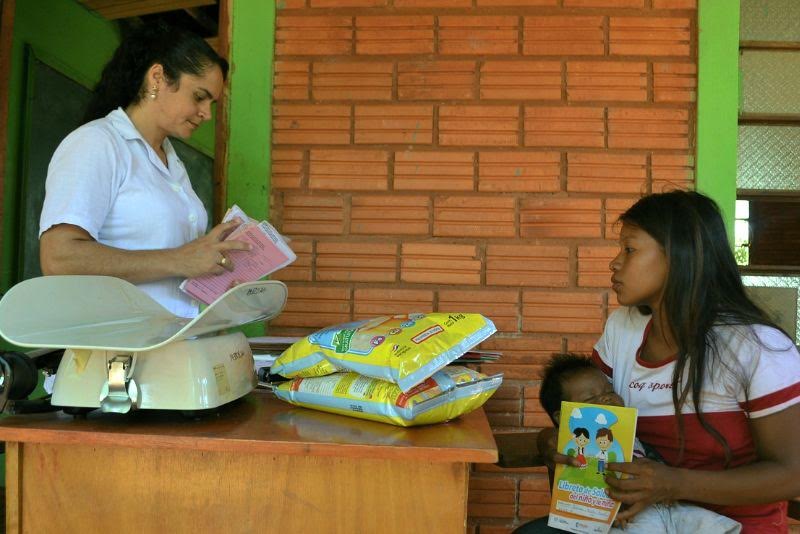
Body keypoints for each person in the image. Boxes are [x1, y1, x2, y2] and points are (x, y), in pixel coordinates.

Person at [518, 190, 800, 534]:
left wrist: (673, 484)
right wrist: (551, 440)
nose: (615, 262)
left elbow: (793, 474)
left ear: (678, 256)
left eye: (630, 249)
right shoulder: (622, 330)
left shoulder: (757, 347)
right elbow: (587, 415)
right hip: (633, 522)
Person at [39, 22, 250, 318]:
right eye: (199, 96)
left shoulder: (173, 163)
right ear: (157, 78)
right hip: (117, 354)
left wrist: (214, 268)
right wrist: (180, 259)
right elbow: (59, 258)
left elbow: (171, 270)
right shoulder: (97, 143)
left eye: (211, 103)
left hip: (175, 348)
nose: (206, 113)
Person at [534, 352, 741, 533]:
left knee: (708, 524)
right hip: (626, 519)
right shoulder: (577, 448)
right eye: (591, 399)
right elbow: (579, 489)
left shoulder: (630, 436)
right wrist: (603, 512)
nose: (606, 399)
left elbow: (654, 463)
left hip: (666, 507)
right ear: (564, 417)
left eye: (609, 391)